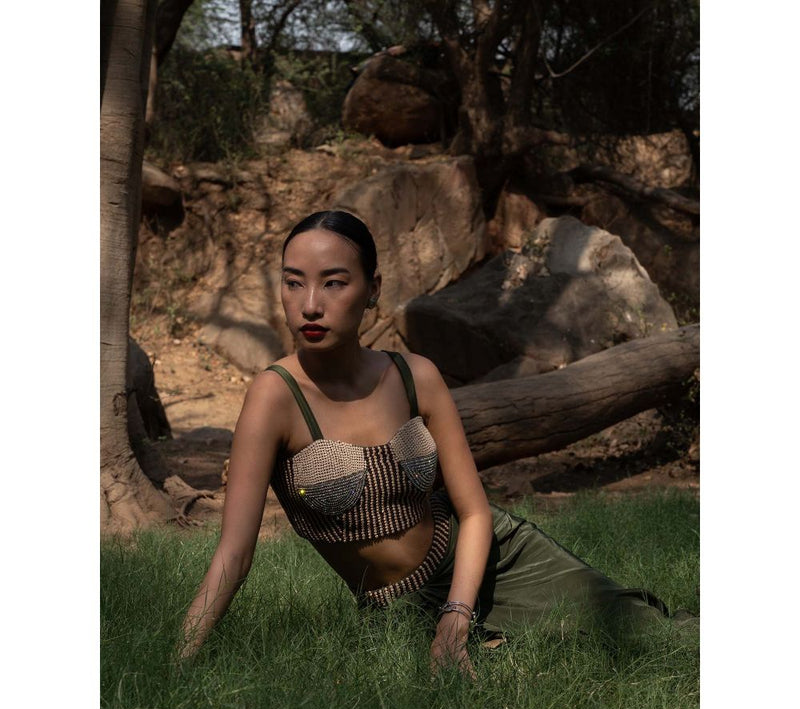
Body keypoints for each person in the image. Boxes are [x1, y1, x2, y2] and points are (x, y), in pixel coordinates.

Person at [179, 210, 683, 675]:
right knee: (530, 672)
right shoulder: (275, 397)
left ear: (372, 289)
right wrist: (178, 665)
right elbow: (234, 554)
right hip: (399, 607)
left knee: (651, 636)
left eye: (334, 283)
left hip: (490, 561)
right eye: (294, 283)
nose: (310, 305)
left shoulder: (415, 375)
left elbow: (475, 512)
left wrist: (456, 615)